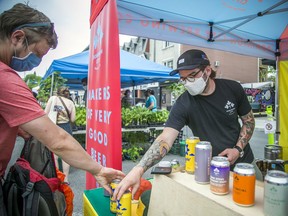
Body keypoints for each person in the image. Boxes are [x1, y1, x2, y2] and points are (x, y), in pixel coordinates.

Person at [0, 4, 124, 213]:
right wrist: (99, 169)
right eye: (37, 53)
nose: (36, 63)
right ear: (18, 37)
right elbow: (58, 140)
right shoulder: (5, 78)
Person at [113, 49, 262, 200]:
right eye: (183, 79)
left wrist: (238, 149)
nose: (188, 82)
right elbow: (165, 139)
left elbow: (249, 122)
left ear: (208, 70)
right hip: (211, 171)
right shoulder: (184, 103)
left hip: (244, 165)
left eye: (192, 76)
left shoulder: (232, 89)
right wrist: (138, 170)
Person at [45, 87, 76, 183]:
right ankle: (66, 179)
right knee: (66, 153)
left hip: (53, 127)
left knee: (55, 153)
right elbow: (73, 119)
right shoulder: (70, 103)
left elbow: (45, 113)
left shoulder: (52, 99)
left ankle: (58, 177)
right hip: (66, 128)